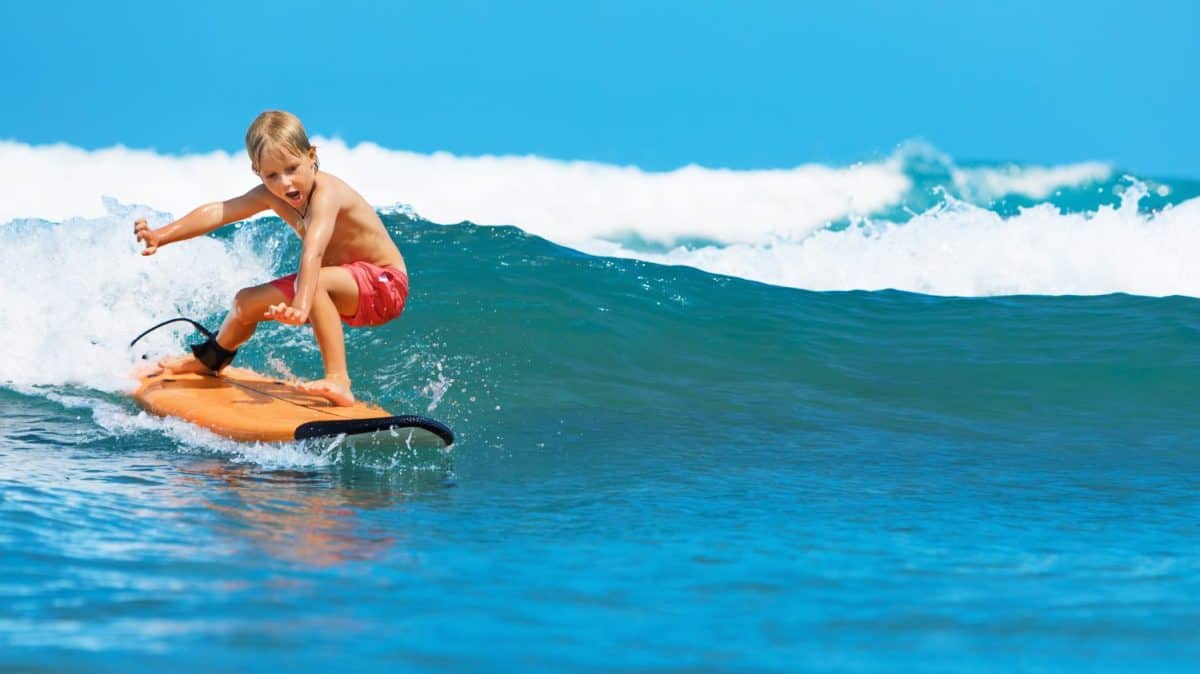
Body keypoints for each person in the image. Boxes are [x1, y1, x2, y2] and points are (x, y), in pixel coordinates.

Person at [134, 110, 408, 406]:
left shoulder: (327, 192)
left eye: (292, 168)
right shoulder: (270, 195)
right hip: (339, 284)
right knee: (244, 303)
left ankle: (339, 381)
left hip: (385, 285)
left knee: (312, 281)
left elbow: (313, 250)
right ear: (257, 171)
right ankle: (210, 361)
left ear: (311, 155)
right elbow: (219, 212)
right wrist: (162, 235)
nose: (285, 183)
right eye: (272, 175)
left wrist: (302, 304)